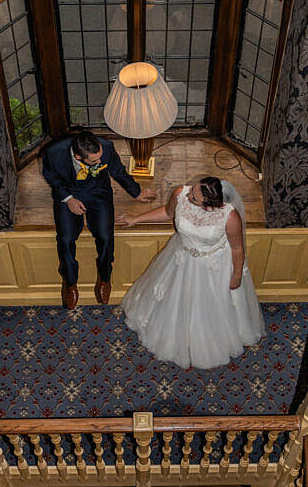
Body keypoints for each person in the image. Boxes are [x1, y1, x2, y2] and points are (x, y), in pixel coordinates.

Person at [116, 177, 265, 369]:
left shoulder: (229, 216)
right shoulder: (180, 194)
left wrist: (236, 276)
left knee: (208, 308)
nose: (188, 195)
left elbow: (237, 248)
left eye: (193, 196)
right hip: (181, 258)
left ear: (208, 203)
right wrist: (136, 219)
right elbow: (168, 212)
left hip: (213, 267)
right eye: (191, 190)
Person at [41, 131, 158, 309]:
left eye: (100, 158)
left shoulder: (107, 147)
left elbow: (118, 171)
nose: (99, 162)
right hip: (68, 193)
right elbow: (52, 178)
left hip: (98, 193)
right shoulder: (53, 152)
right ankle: (70, 282)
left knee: (105, 236)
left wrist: (137, 191)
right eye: (94, 161)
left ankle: (104, 278)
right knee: (65, 239)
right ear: (78, 156)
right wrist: (69, 199)